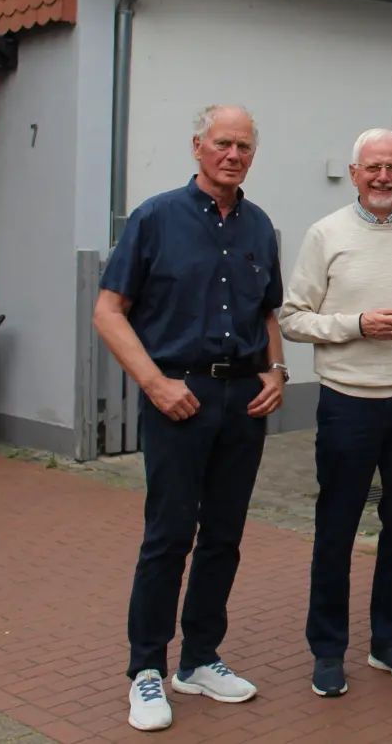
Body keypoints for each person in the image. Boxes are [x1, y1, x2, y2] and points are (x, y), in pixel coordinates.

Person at [93, 104, 289, 732]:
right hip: (179, 398)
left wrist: (277, 371)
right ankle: (146, 670)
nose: (233, 155)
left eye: (245, 147)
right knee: (168, 537)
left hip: (244, 403)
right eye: (223, 143)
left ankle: (200, 659)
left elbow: (266, 314)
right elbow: (108, 310)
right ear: (198, 147)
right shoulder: (155, 218)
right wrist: (154, 383)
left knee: (225, 536)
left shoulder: (260, 226)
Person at [279, 128, 392, 698]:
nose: (383, 178)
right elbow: (293, 317)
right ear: (354, 173)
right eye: (372, 168)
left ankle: (389, 641)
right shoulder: (326, 234)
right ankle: (328, 650)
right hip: (347, 402)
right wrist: (354, 326)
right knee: (337, 529)